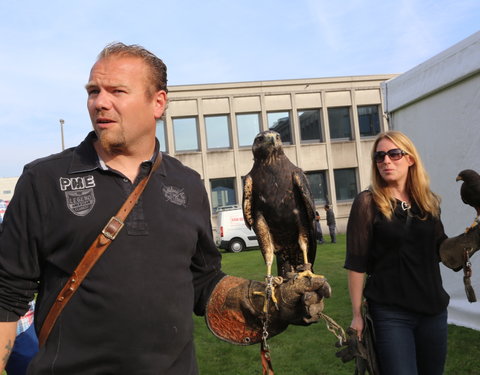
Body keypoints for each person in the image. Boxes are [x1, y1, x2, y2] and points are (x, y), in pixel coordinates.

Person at [0, 42, 329, 374]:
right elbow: (6, 294)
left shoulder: (187, 184)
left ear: (157, 103)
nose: (100, 102)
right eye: (93, 91)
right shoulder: (44, 180)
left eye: (117, 91)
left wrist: (263, 300)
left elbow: (203, 279)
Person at [344, 130, 450, 375]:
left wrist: (470, 238)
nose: (386, 161)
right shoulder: (368, 203)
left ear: (410, 159)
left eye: (394, 154)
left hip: (433, 311)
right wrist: (357, 314)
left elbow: (441, 250)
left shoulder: (429, 202)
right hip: (392, 314)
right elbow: (356, 263)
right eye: (379, 157)